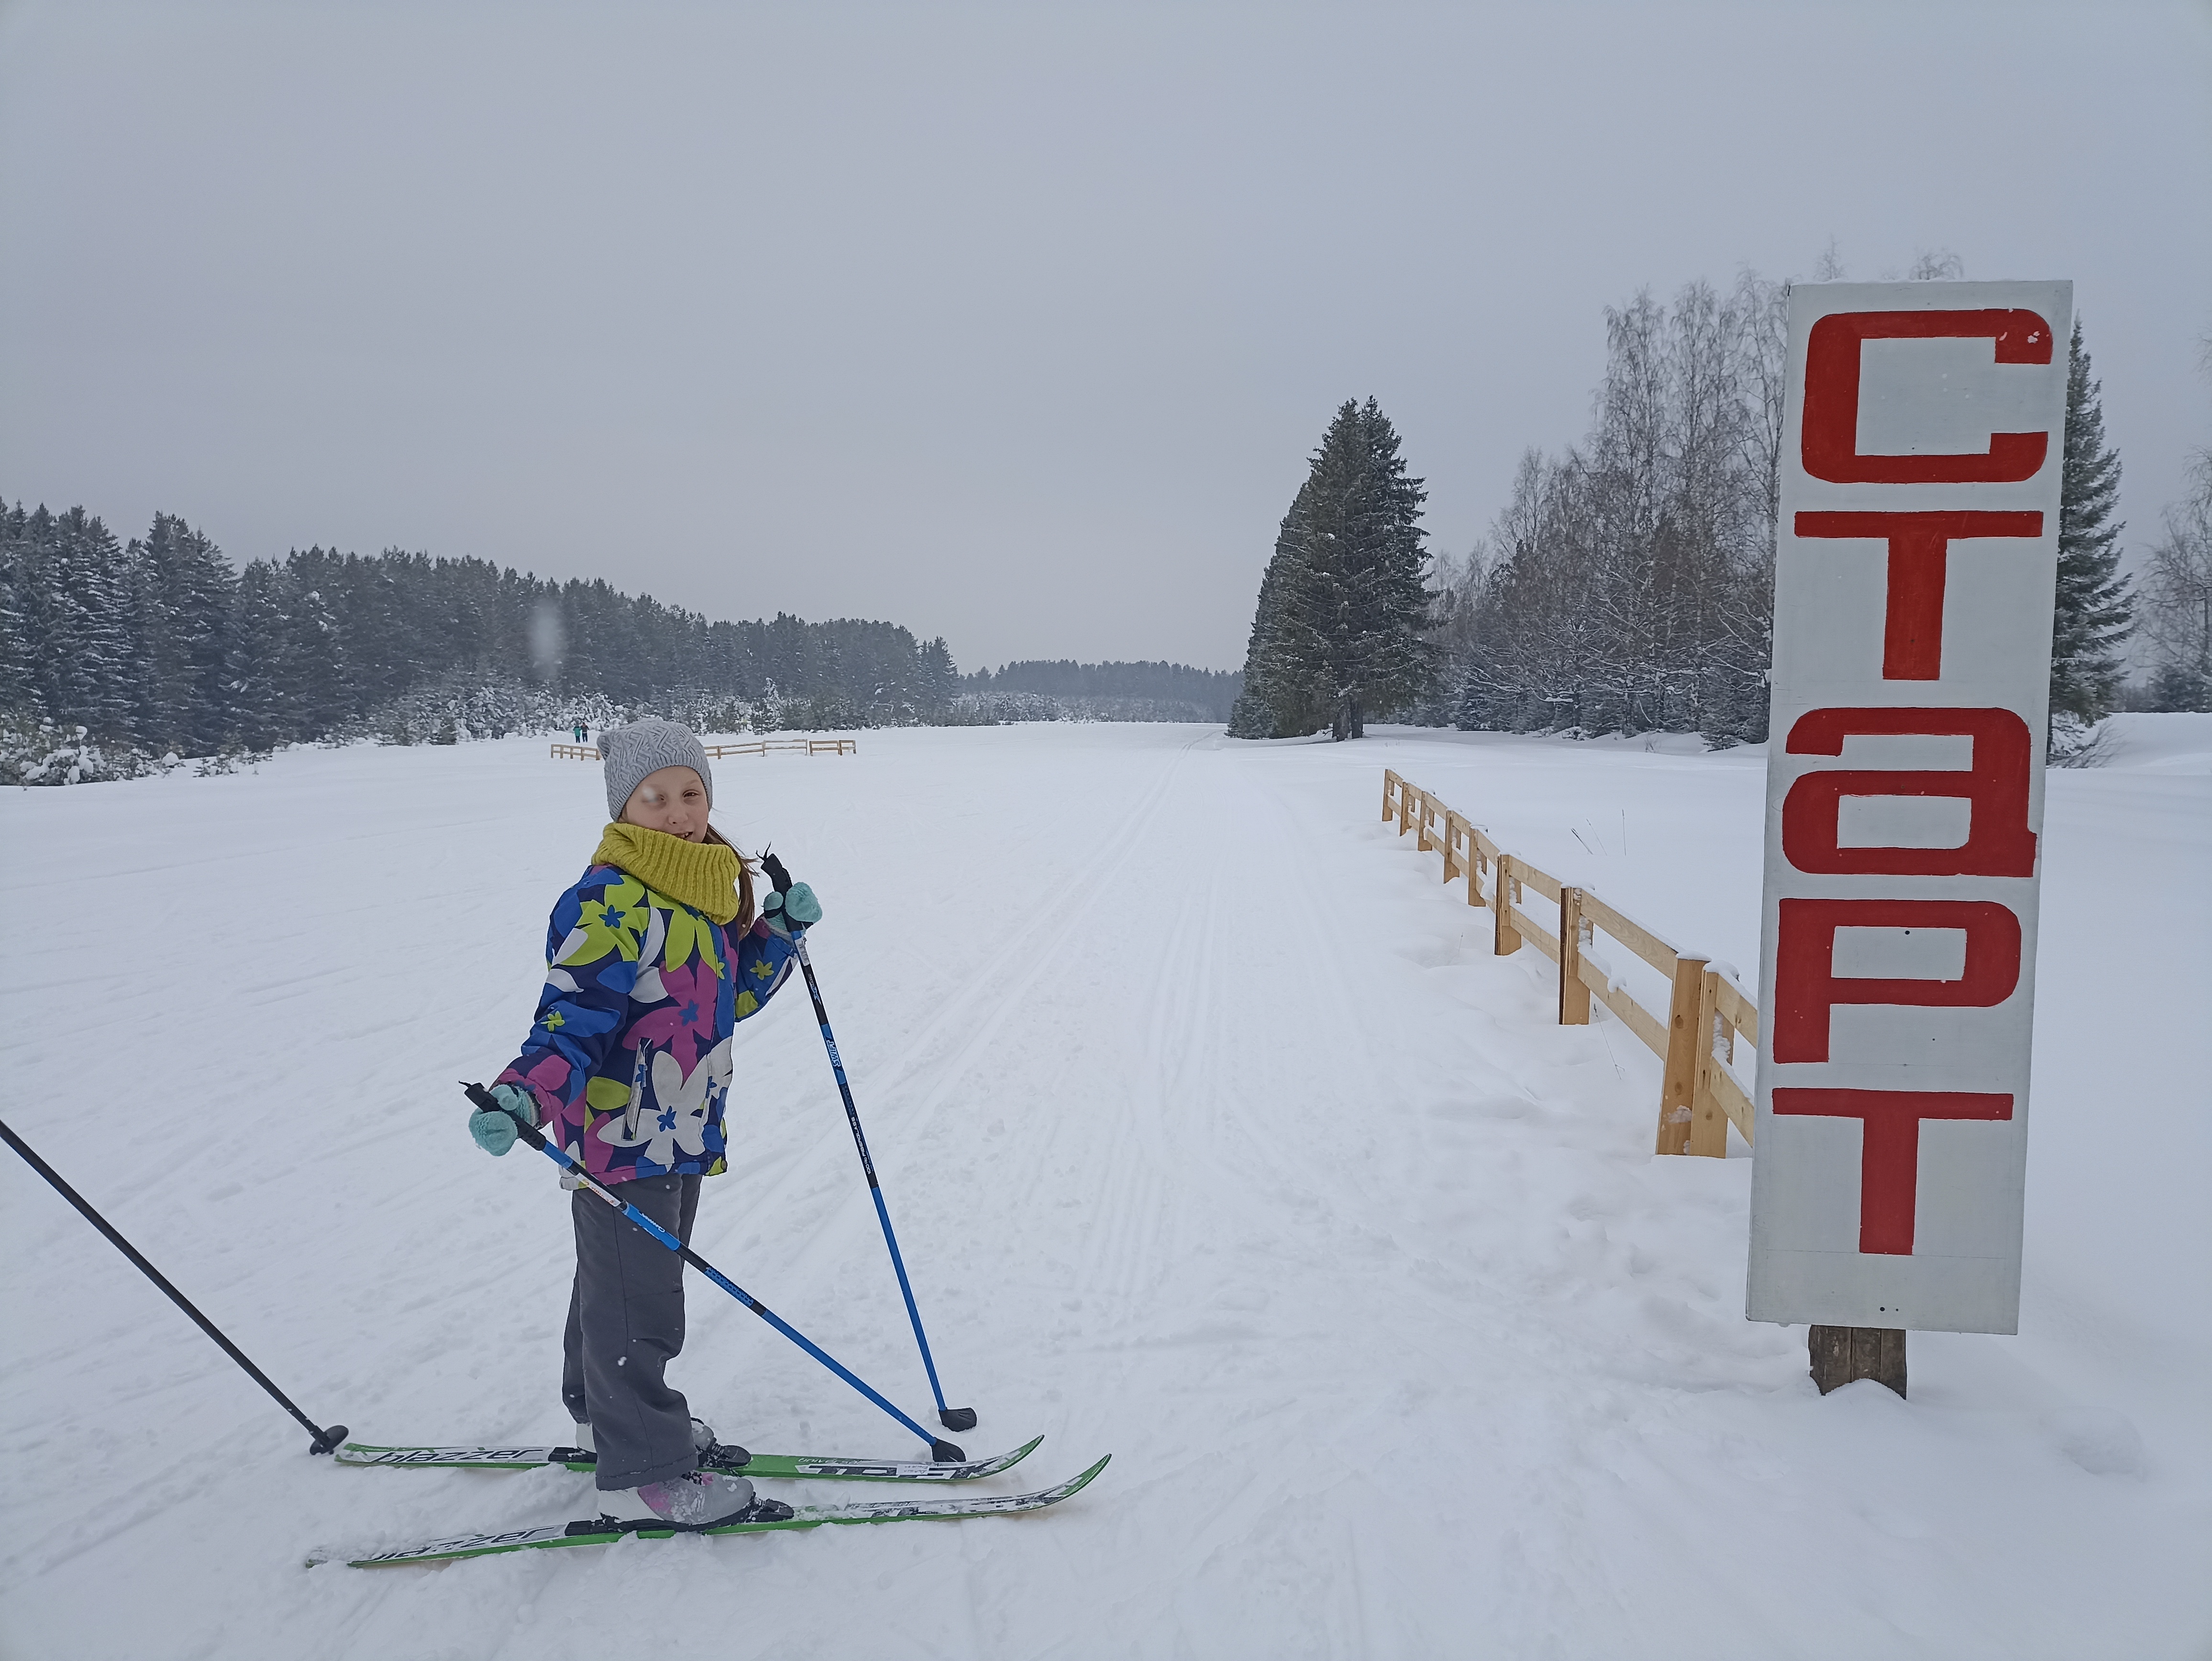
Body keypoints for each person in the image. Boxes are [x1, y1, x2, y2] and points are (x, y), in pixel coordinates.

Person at [467, 717, 823, 1525]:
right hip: (622, 1138)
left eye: (691, 792)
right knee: (642, 1303)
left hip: (683, 1126)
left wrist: (778, 935)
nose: (677, 810)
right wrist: (525, 1092)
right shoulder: (611, 899)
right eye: (654, 796)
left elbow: (723, 999)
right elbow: (574, 1016)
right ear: (623, 808)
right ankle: (648, 1465)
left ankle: (606, 1416)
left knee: (618, 1288)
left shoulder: (702, 890)